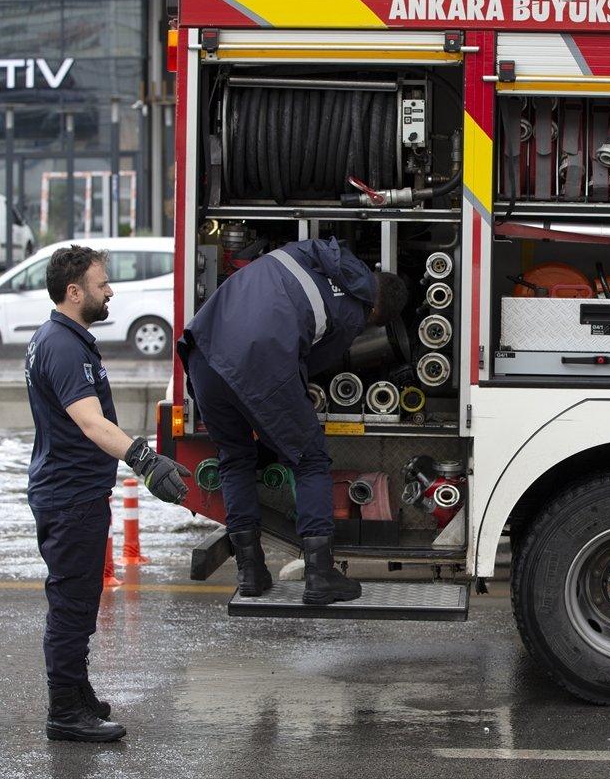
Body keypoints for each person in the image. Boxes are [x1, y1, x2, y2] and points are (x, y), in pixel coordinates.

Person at [178, 236, 407, 606]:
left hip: (203, 354)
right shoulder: (354, 312)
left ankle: (250, 572)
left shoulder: (315, 252)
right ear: (377, 313)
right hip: (257, 364)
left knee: (235, 458)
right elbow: (302, 371)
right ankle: (319, 575)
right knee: (310, 458)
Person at [25, 245, 192, 742]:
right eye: (102, 284)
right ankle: (64, 713)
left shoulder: (61, 337)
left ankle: (77, 694)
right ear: (74, 292)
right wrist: (143, 459)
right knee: (73, 606)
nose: (110, 291)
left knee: (79, 600)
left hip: (72, 491)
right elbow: (90, 421)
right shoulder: (61, 346)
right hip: (69, 495)